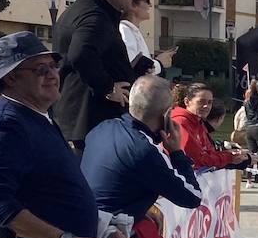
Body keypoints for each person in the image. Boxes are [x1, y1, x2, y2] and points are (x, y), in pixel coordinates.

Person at [0, 33, 117, 238]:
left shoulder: (37, 116)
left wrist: (101, 230)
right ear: (10, 79)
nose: (53, 75)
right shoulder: (5, 125)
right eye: (41, 69)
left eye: (54, 66)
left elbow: (52, 191)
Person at [80, 76, 203, 224]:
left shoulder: (102, 128)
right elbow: (193, 197)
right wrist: (177, 153)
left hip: (86, 216)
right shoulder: (145, 151)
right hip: (106, 233)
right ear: (166, 115)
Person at [52, 0, 141, 150]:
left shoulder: (78, 10)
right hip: (92, 126)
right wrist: (108, 87)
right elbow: (80, 54)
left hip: (82, 123)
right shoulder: (95, 17)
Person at [169, 84, 250, 172]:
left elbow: (209, 152)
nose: (206, 106)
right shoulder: (181, 122)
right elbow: (197, 159)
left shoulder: (198, 122)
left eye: (209, 102)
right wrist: (228, 158)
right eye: (201, 102)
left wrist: (231, 154)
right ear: (187, 102)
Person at [119, 0, 171, 77]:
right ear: (134, 5)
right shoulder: (124, 31)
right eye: (147, 0)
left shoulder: (131, 31)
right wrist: (159, 63)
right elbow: (132, 66)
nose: (150, 5)